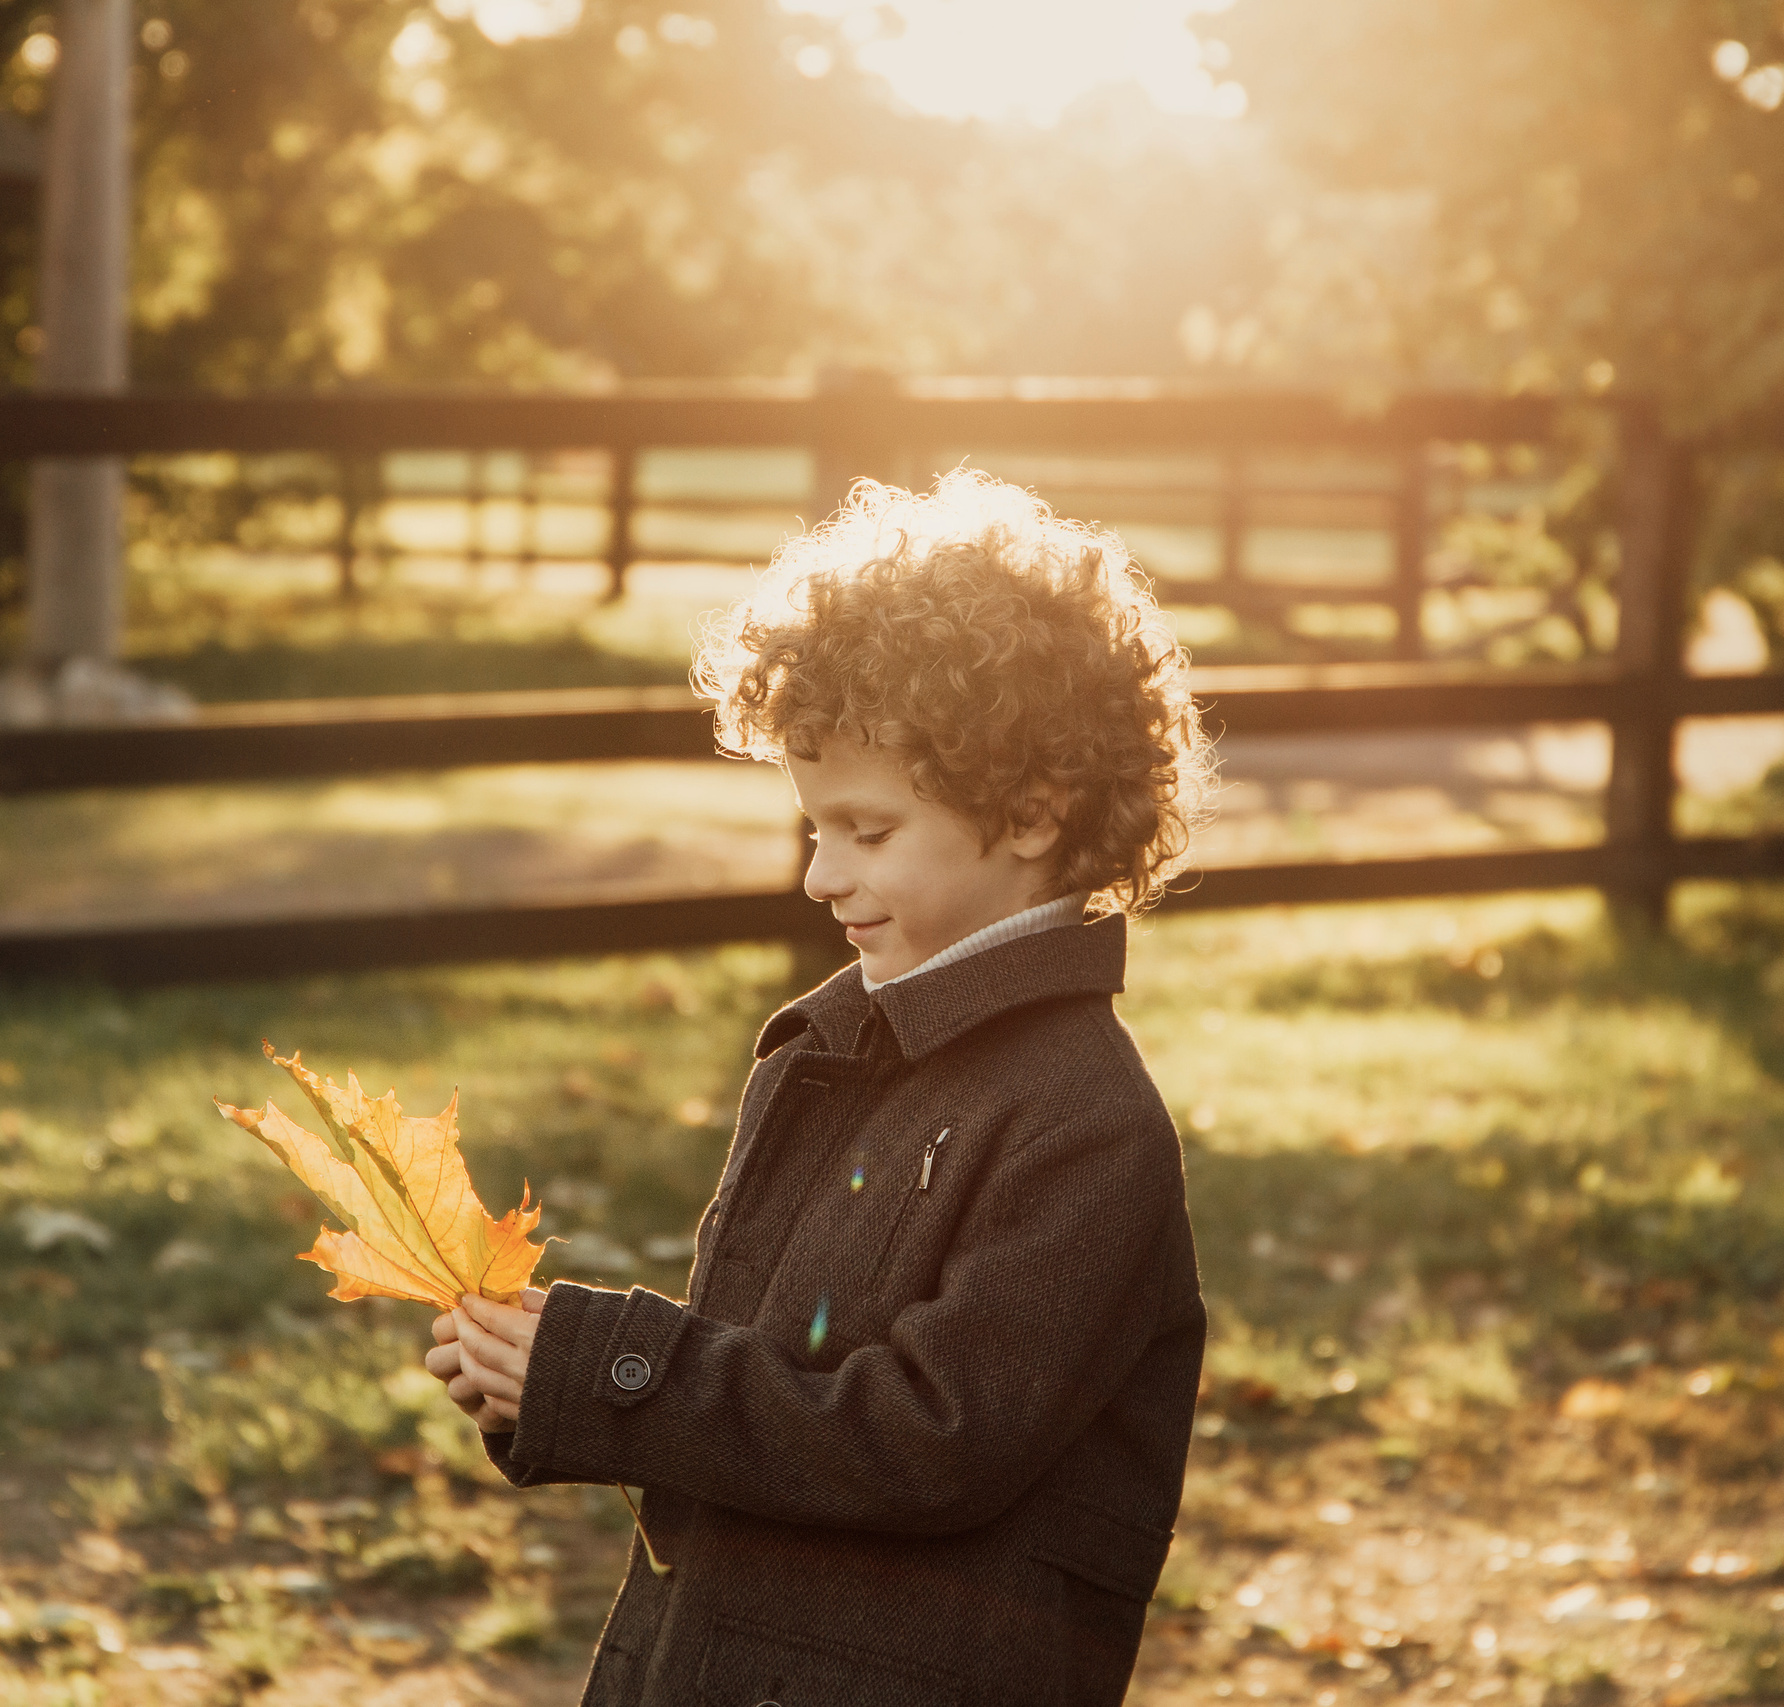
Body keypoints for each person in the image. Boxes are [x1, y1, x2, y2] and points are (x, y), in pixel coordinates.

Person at [426, 468, 1215, 1707]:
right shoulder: (836, 1051)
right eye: (810, 828)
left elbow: (927, 1442)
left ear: (1033, 811)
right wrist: (552, 1384)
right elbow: (762, 1410)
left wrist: (616, 1373)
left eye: (866, 831)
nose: (817, 876)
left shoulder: (1085, 1126)